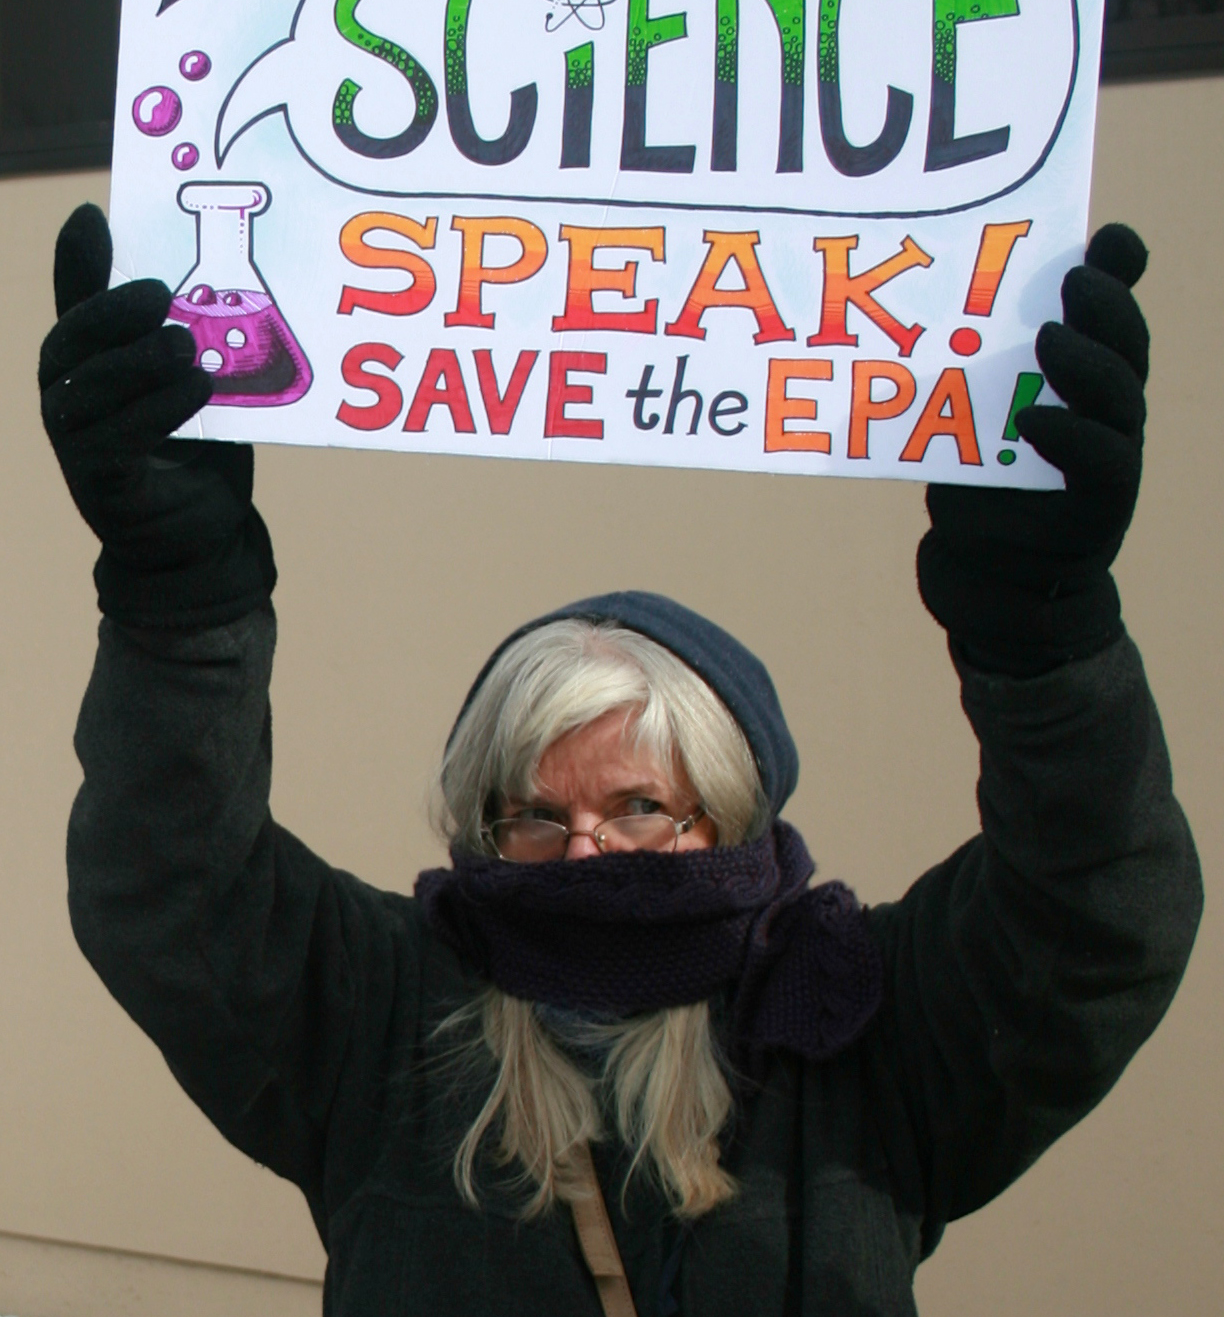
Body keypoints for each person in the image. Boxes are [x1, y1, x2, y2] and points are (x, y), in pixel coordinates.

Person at [41, 203, 1201, 1317]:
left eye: (641, 807)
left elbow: (1097, 916)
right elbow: (171, 884)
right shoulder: (382, 1015)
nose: (583, 856)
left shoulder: (860, 1021)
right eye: (534, 818)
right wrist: (180, 600)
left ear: (728, 818)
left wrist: (1042, 637)